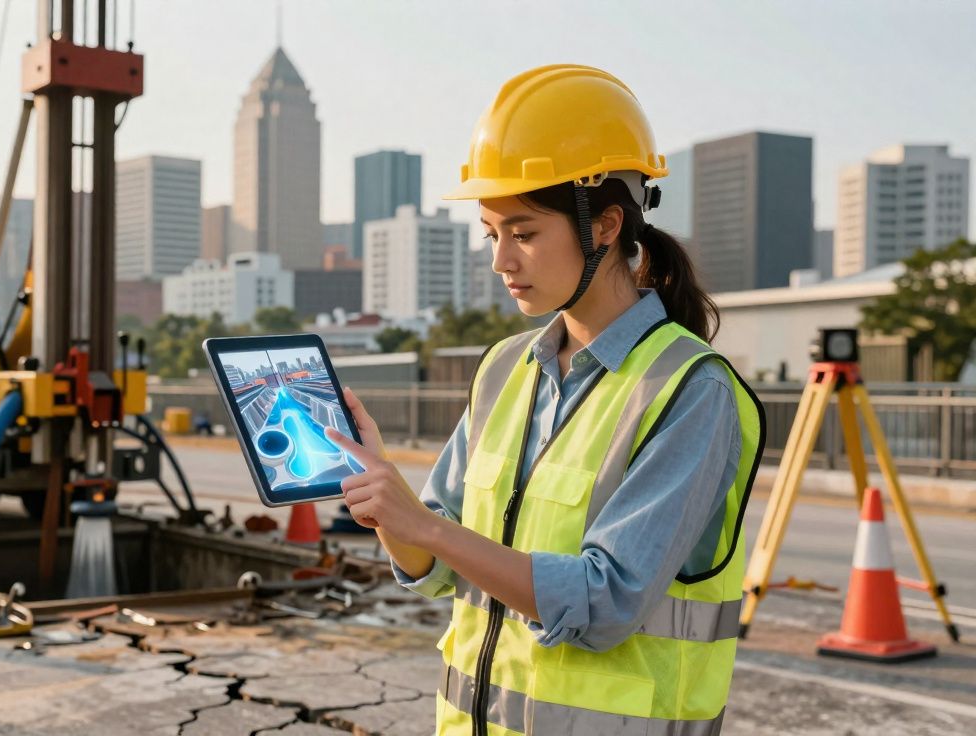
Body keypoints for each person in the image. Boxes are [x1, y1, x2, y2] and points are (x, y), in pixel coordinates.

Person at [323, 65, 766, 735]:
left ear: (606, 226)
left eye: (524, 234)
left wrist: (428, 527)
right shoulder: (506, 367)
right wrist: (389, 504)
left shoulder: (689, 390)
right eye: (491, 233)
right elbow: (436, 569)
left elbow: (607, 601)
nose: (502, 261)